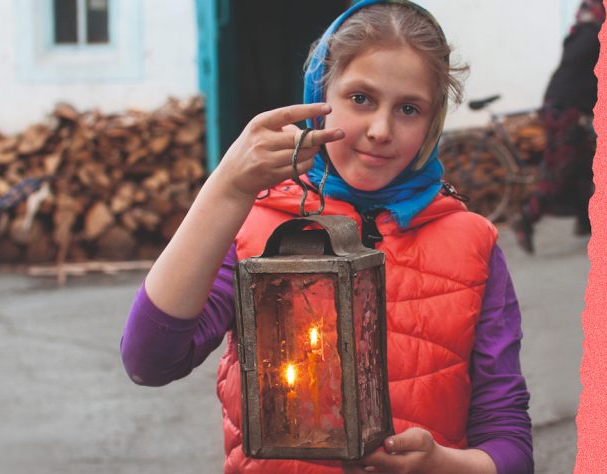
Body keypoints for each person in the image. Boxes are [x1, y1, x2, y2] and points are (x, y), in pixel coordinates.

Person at [121, 1, 533, 472]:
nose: (381, 130)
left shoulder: (471, 242)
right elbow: (149, 361)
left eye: (408, 108)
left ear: (433, 120)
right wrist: (227, 188)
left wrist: (443, 464)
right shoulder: (256, 224)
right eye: (361, 98)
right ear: (321, 96)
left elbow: (510, 442)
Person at [512, 0, 603, 253]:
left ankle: (587, 223)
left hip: (564, 106)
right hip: (566, 109)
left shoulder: (581, 33)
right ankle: (525, 220)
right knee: (559, 172)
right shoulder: (593, 35)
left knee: (586, 164)